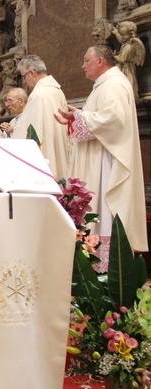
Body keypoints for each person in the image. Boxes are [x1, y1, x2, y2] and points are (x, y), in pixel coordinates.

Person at [55, 45, 147, 270]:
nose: (82, 66)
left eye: (86, 60)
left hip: (106, 164)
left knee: (105, 210)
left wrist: (79, 117)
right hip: (100, 158)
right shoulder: (104, 86)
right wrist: (76, 117)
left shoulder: (114, 84)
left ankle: (104, 270)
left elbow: (113, 119)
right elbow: (100, 117)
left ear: (100, 61)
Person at [13, 55, 70, 179]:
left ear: (32, 73)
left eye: (23, 76)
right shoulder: (57, 91)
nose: (24, 82)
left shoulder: (39, 95)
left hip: (46, 155)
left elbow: (26, 130)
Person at [112, 21, 145, 99]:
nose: (122, 37)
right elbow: (121, 40)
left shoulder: (129, 46)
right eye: (121, 35)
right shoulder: (126, 43)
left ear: (130, 34)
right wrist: (117, 33)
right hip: (124, 68)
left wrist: (112, 56)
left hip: (127, 69)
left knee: (128, 85)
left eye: (123, 35)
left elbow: (121, 59)